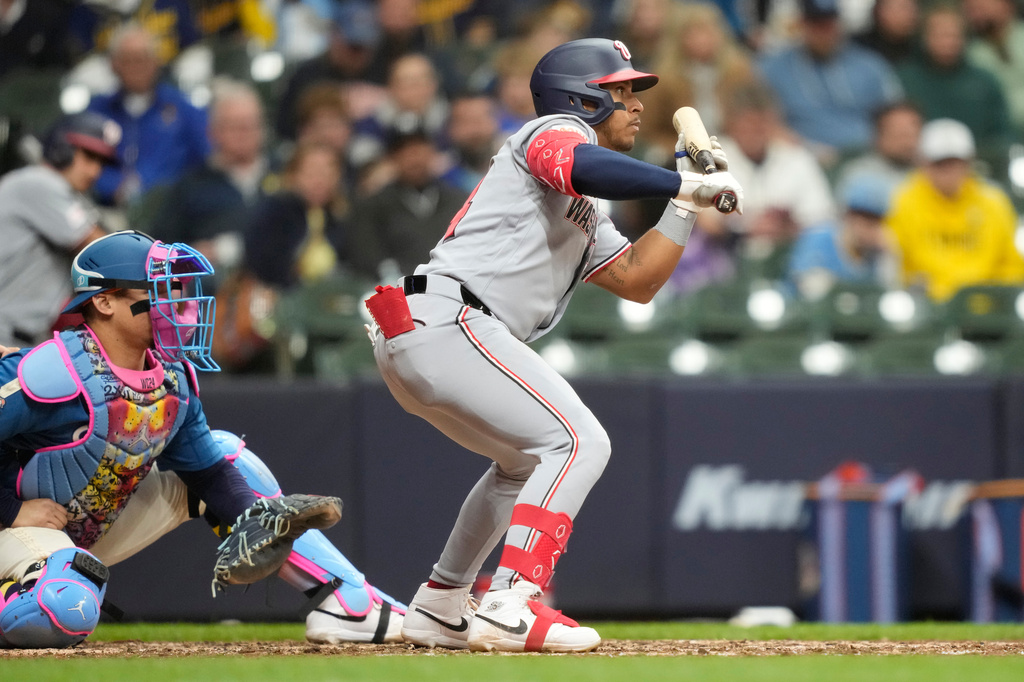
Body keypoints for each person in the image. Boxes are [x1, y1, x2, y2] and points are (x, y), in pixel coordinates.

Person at [366, 38, 743, 652]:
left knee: (523, 463)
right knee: (579, 440)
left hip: (431, 331)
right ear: (581, 96)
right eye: (620, 91)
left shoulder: (586, 200)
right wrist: (679, 178)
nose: (635, 105)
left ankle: (441, 601)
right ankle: (511, 598)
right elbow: (580, 165)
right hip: (450, 318)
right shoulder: (549, 132)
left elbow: (638, 281)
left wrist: (682, 201)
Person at [0, 230, 405, 649]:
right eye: (157, 289)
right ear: (104, 302)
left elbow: (209, 473)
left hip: (84, 531)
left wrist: (258, 521)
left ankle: (351, 603)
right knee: (65, 609)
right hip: (14, 531)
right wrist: (11, 508)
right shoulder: (49, 372)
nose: (174, 301)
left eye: (175, 288)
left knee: (230, 457)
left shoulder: (171, 376)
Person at [0, 112, 115, 348]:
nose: (95, 172)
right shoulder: (38, 182)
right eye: (89, 156)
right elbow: (104, 248)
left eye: (101, 162)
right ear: (63, 149)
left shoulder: (64, 195)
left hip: (20, 339)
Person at [150, 79, 275, 283]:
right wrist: (194, 256)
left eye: (251, 125)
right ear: (213, 132)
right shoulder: (191, 185)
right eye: (235, 127)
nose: (244, 134)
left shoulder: (286, 174)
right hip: (212, 288)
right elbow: (159, 257)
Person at [886, 118, 1024, 301]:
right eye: (940, 163)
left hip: (985, 306)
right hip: (926, 305)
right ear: (924, 163)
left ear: (969, 162)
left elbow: (1012, 264)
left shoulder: (994, 203)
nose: (948, 171)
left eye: (955, 162)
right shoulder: (903, 201)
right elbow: (895, 259)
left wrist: (996, 296)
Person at [757, 0, 904, 165]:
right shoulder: (773, 69)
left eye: (829, 24)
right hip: (804, 159)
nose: (824, 32)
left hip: (867, 155)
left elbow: (897, 113)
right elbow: (758, 118)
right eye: (816, 24)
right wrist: (798, 146)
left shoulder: (869, 65)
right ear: (802, 24)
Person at [86, 21, 210, 207]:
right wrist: (114, 186)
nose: (136, 68)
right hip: (107, 209)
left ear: (156, 62)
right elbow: (81, 162)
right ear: (113, 65)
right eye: (128, 60)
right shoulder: (96, 111)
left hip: (171, 210)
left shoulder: (182, 108)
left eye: (142, 59)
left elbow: (209, 158)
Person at [896, 4, 1012, 166]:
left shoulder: (985, 81)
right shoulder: (904, 80)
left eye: (953, 35)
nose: (947, 42)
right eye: (939, 35)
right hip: (917, 167)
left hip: (981, 166)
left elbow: (1003, 133)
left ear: (965, 38)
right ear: (923, 37)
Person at [350, 130, 470, 281]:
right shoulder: (373, 206)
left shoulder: (459, 201)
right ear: (392, 159)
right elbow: (368, 255)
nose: (414, 159)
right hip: (396, 290)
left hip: (453, 286)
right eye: (405, 152)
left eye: (420, 149)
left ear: (432, 153)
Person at [787, 175, 899, 300]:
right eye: (860, 216)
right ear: (847, 215)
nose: (865, 226)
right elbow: (807, 290)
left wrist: (889, 256)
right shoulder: (819, 238)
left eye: (874, 220)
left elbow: (889, 290)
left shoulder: (877, 252)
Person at [833, 101, 923, 202]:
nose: (908, 143)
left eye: (912, 135)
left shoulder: (933, 171)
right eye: (900, 135)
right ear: (877, 136)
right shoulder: (859, 176)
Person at [962, 0, 1024, 141]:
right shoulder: (971, 53)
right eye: (971, 9)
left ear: (1006, 5)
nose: (977, 14)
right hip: (1001, 137)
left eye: (982, 6)